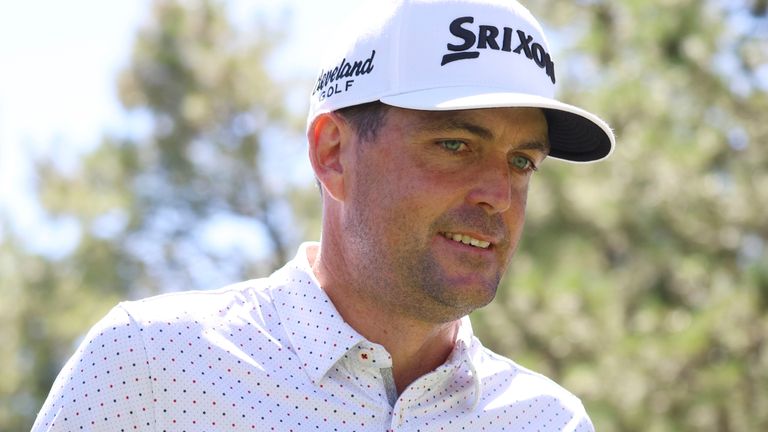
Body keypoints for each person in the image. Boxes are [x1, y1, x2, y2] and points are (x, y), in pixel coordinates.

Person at [32, 0, 614, 430]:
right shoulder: (150, 365)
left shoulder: (548, 421)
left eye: (521, 161)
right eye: (455, 145)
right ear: (333, 154)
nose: (499, 195)